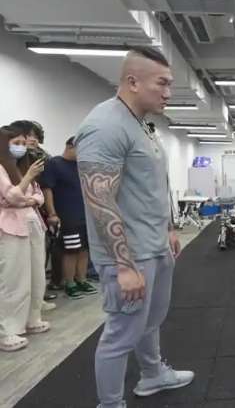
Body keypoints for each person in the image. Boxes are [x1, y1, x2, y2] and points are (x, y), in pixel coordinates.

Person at [75, 46, 193, 408]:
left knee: (150, 321)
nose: (168, 92)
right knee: (121, 335)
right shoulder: (105, 126)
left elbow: (150, 184)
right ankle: (110, 404)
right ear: (133, 82)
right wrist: (123, 265)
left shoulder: (141, 124)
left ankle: (153, 374)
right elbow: (99, 200)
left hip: (154, 245)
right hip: (129, 254)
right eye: (162, 83)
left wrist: (168, 227)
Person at [0, 126, 50, 352]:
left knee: (35, 275)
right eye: (16, 143)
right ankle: (7, 330)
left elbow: (38, 195)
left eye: (23, 142)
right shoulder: (2, 169)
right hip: (10, 227)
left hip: (32, 224)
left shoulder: (20, 168)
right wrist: (27, 181)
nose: (22, 147)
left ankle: (32, 318)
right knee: (13, 279)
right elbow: (11, 197)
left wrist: (27, 198)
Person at [9, 120, 60, 303]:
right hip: (13, 218)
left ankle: (38, 296)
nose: (32, 140)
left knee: (39, 256)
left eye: (35, 136)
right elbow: (11, 195)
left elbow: (39, 189)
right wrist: (28, 200)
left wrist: (35, 201)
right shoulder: (8, 163)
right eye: (28, 136)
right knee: (17, 265)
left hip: (36, 213)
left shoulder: (39, 157)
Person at [42, 136, 97, 299]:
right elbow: (47, 189)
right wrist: (52, 213)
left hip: (84, 214)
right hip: (67, 215)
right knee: (71, 250)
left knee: (85, 249)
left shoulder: (81, 166)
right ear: (70, 146)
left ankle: (82, 279)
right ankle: (70, 283)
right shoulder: (54, 164)